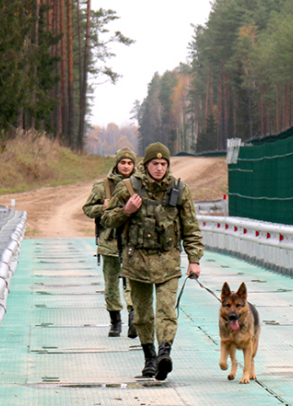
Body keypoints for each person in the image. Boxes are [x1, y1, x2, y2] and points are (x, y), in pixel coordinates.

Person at [102, 142, 203, 381]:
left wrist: (194, 259)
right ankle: (149, 357)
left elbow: (190, 227)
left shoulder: (179, 190)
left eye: (163, 163)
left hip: (168, 260)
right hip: (137, 262)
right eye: (155, 163)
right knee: (143, 315)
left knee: (167, 311)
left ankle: (164, 354)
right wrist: (126, 211)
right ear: (146, 164)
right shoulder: (128, 187)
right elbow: (106, 219)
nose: (159, 168)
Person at [83, 147, 137, 338]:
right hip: (109, 242)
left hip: (133, 242)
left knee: (133, 282)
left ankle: (133, 318)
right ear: (117, 164)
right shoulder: (103, 185)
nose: (126, 166)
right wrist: (101, 208)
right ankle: (115, 322)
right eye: (123, 162)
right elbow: (87, 209)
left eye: (130, 163)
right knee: (111, 285)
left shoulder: (140, 185)